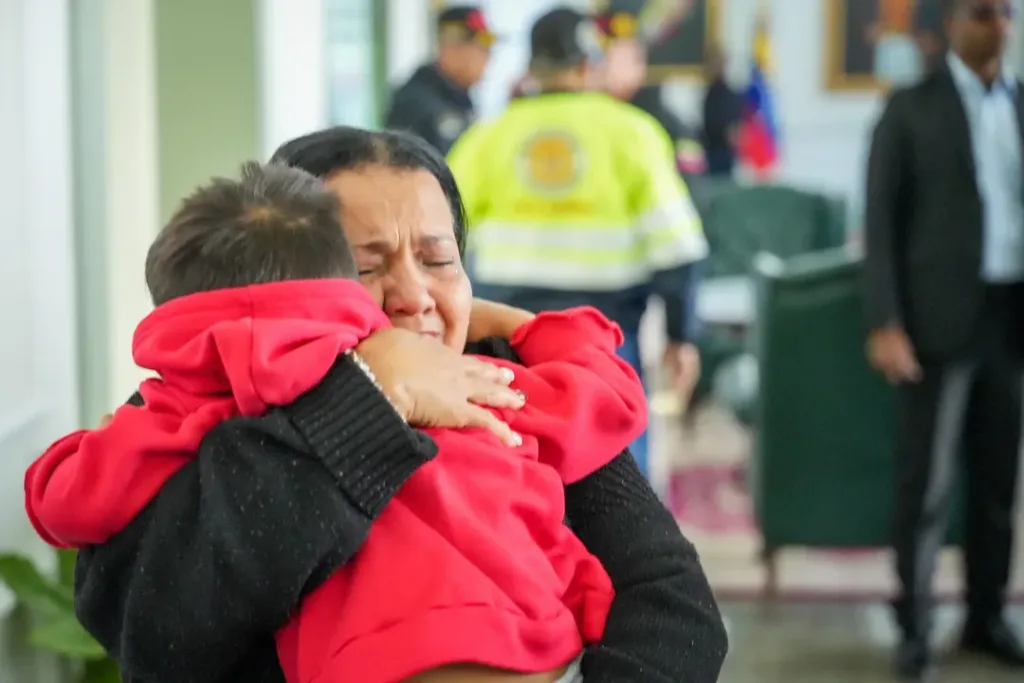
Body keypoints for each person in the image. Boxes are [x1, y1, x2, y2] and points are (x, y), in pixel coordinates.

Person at [43, 127, 728, 683]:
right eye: (365, 267)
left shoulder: (510, 388)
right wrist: (367, 400)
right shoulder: (209, 403)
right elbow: (152, 631)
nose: (412, 295)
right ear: (276, 287)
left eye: (437, 260)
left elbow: (674, 605)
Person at [447, 7, 707, 479]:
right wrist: (680, 336)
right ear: (589, 64)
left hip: (505, 335)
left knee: (515, 462)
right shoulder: (632, 132)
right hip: (605, 336)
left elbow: (442, 240)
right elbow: (678, 249)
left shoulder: (485, 138)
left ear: (532, 68)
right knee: (617, 469)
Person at [863, 0, 1024, 679]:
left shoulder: (1019, 103)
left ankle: (985, 616)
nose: (1000, 26)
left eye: (1009, 13)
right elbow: (880, 220)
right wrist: (885, 320)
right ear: (953, 24)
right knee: (926, 483)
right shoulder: (910, 108)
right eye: (984, 13)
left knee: (998, 481)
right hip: (936, 323)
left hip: (1012, 317)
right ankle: (916, 626)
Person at [384, 5, 493, 155]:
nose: (487, 60)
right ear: (451, 49)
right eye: (481, 50)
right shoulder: (415, 101)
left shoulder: (460, 97)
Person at [700, 44, 742, 178]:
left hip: (721, 154)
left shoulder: (728, 94)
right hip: (709, 152)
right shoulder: (709, 92)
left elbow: (733, 130)